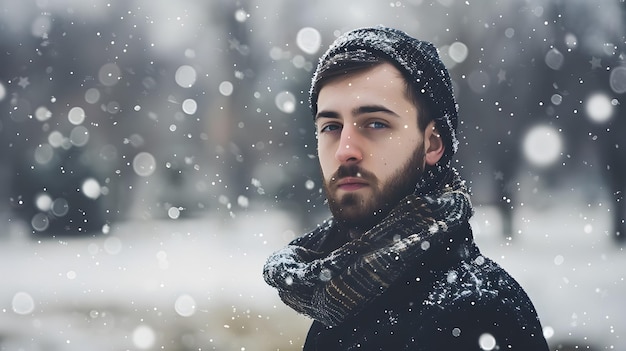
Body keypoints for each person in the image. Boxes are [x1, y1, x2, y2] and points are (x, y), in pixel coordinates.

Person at [263, 25, 550, 351]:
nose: (345, 149)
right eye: (331, 126)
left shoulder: (479, 313)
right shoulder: (339, 295)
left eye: (375, 123)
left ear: (432, 143)